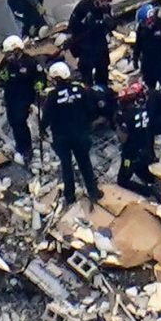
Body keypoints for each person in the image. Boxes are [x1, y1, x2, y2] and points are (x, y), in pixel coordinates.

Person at [43, 61, 102, 210]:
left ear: (56, 78)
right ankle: (93, 192)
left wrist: (42, 128)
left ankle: (70, 196)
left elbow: (46, 118)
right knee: (85, 163)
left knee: (66, 165)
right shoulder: (81, 90)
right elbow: (91, 109)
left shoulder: (53, 96)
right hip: (80, 134)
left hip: (62, 137)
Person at [66, 0, 126, 89]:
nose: (106, 3)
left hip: (100, 43)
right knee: (86, 74)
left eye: (109, 1)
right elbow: (72, 25)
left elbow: (110, 25)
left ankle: (102, 90)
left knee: (103, 70)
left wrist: (110, 24)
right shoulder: (84, 6)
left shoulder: (106, 9)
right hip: (85, 45)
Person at [0, 35, 43, 168]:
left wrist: (39, 84)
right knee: (13, 121)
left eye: (10, 54)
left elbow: (40, 76)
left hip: (25, 97)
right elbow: (0, 80)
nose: (8, 57)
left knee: (20, 121)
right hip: (11, 96)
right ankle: (19, 145)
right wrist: (1, 79)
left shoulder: (30, 63)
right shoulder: (6, 63)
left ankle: (26, 148)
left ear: (17, 51)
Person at [116, 83, 161, 198]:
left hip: (131, 153)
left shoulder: (124, 116)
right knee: (140, 170)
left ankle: (148, 191)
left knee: (122, 179)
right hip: (145, 148)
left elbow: (123, 139)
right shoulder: (142, 110)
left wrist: (117, 126)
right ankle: (156, 181)